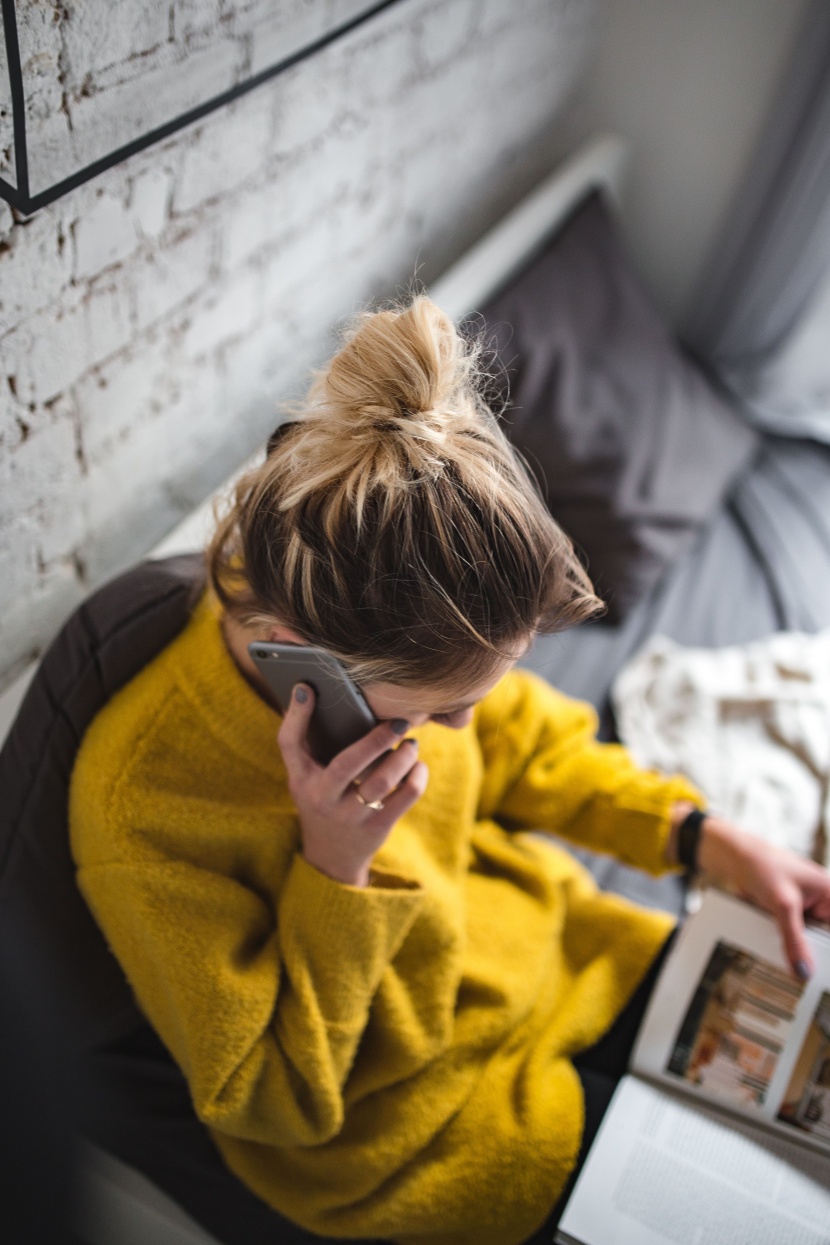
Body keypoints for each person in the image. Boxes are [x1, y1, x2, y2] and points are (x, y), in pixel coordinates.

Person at [69, 296, 830, 1245]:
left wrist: (701, 838)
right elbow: (273, 1100)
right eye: (432, 712)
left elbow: (536, 744)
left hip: (555, 957)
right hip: (425, 1131)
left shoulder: (411, 648)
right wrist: (335, 870)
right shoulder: (143, 803)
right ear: (300, 656)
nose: (466, 727)